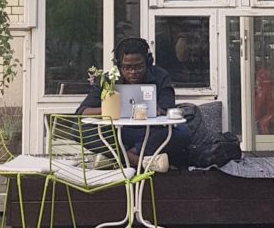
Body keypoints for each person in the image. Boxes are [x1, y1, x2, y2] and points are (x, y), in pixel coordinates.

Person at [75, 37, 191, 171]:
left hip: (149, 135)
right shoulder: (109, 79)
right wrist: (109, 109)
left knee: (183, 133)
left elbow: (168, 110)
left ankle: (118, 157)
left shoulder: (160, 76)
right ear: (118, 65)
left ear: (147, 62)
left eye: (139, 67)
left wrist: (157, 109)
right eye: (127, 67)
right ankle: (138, 161)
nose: (133, 72)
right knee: (77, 130)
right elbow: (81, 111)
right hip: (118, 133)